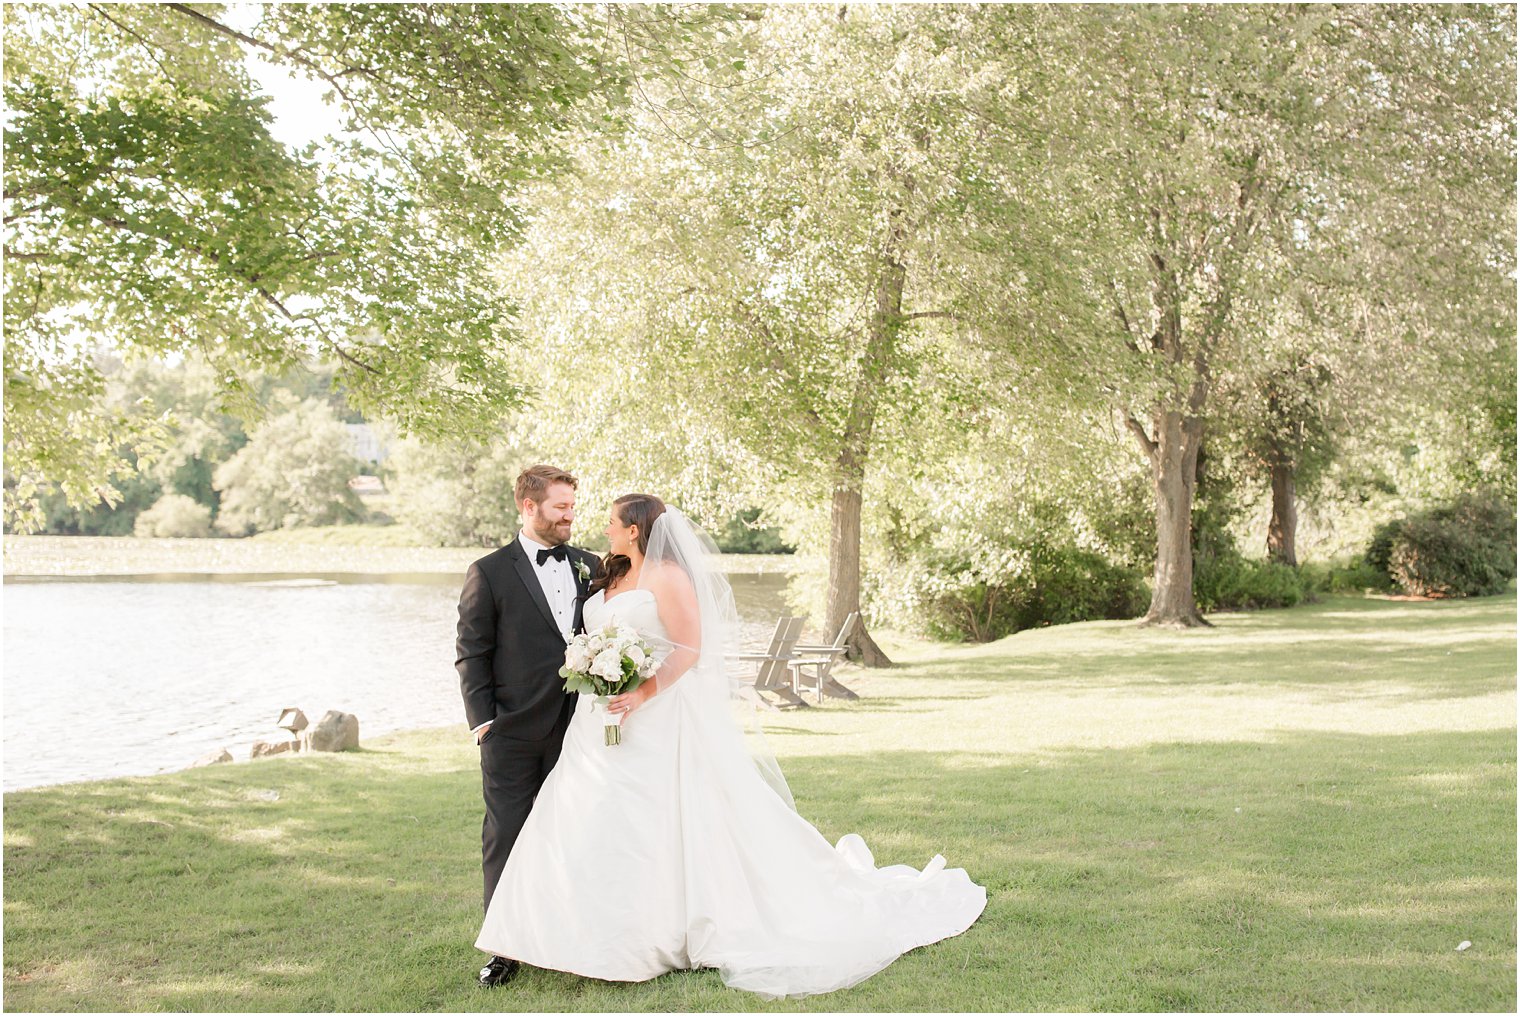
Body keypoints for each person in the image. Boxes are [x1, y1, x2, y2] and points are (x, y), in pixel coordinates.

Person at [475, 493, 985, 1000]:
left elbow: (690, 649)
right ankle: (568, 932)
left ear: (635, 529)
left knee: (654, 820)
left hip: (654, 717)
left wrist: (640, 691)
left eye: (611, 522)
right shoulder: (607, 572)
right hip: (596, 723)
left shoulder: (668, 576)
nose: (602, 528)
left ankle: (655, 935)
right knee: (585, 817)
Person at [455, 464, 603, 988]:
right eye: (560, 507)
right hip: (511, 732)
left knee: (579, 833)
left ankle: (575, 936)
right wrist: (483, 724)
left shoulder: (591, 565)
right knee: (508, 836)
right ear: (528, 506)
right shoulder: (489, 571)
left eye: (571, 506)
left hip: (580, 729)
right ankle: (504, 948)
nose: (570, 515)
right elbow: (472, 652)